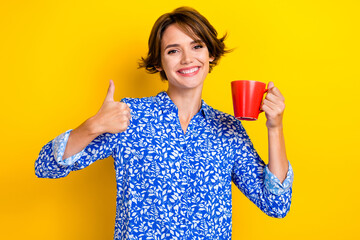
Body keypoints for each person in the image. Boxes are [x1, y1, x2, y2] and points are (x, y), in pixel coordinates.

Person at [35, 6, 293, 239]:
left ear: (211, 54)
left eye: (196, 46)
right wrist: (93, 125)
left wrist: (275, 128)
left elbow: (276, 204)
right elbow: (46, 166)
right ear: (159, 62)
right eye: (173, 50)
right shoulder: (128, 116)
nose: (187, 59)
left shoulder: (228, 128)